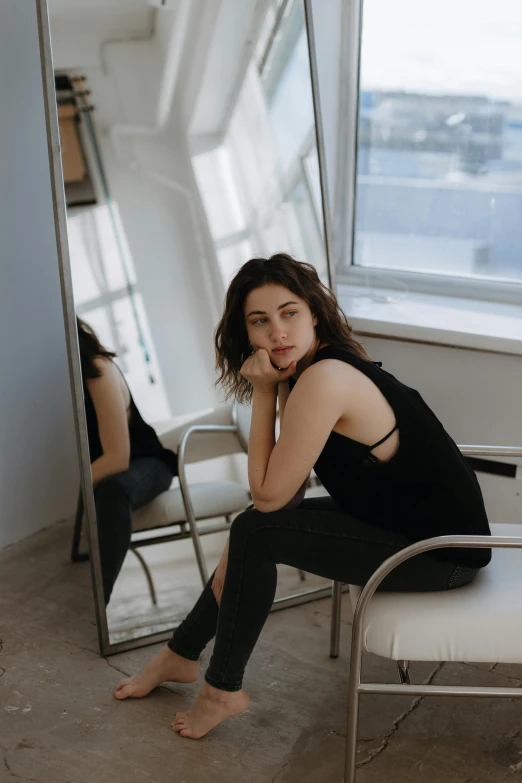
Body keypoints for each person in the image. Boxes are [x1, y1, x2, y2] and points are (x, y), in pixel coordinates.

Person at [113, 253, 491, 738]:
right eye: (260, 321)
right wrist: (238, 547)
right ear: (245, 334)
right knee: (249, 531)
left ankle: (218, 687)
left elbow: (269, 499)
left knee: (252, 528)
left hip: (440, 553)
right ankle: (181, 655)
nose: (278, 333)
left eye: (289, 313)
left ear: (314, 311)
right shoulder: (311, 372)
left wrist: (264, 393)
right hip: (400, 526)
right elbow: (282, 500)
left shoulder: (324, 379)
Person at [78, 318, 178, 605]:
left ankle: (94, 603)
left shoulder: (97, 368)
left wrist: (66, 492)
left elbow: (117, 458)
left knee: (113, 489)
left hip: (145, 462)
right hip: (100, 474)